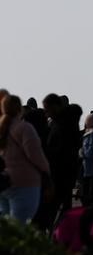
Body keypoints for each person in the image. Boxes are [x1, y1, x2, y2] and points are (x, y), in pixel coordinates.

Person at [0, 94, 51, 223]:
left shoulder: (3, 128)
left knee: (6, 227)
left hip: (3, 182)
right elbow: (35, 155)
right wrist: (47, 172)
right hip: (24, 182)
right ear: (20, 109)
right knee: (19, 228)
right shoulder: (24, 128)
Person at [41, 93, 82, 226]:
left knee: (55, 209)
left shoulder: (63, 124)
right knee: (62, 208)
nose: (47, 113)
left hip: (61, 172)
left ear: (56, 107)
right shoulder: (61, 122)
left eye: (48, 109)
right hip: (64, 171)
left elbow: (59, 150)